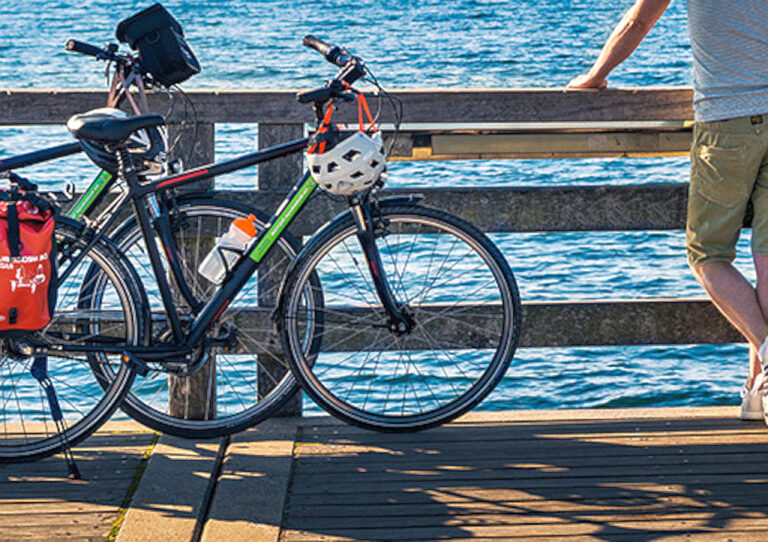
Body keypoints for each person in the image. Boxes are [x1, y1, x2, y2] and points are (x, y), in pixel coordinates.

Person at [568, 0, 768, 422]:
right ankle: (757, 393)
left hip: (726, 120)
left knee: (707, 255)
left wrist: (594, 77)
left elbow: (637, 20)